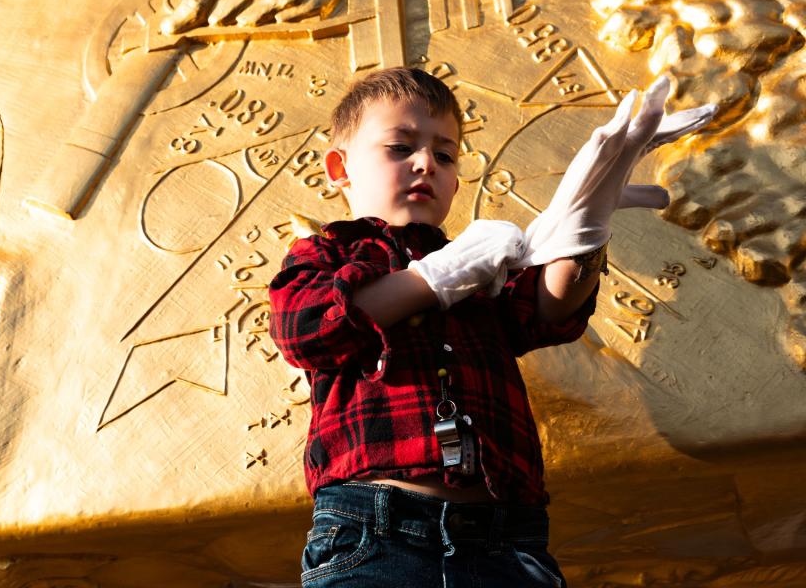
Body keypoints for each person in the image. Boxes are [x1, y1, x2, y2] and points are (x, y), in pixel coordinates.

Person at [268, 68, 715, 587]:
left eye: (444, 154)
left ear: (457, 179)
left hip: (508, 538)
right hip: (373, 530)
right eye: (399, 147)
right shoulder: (326, 252)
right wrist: (434, 278)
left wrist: (585, 229)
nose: (424, 164)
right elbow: (304, 328)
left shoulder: (487, 265)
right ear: (339, 168)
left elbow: (550, 311)